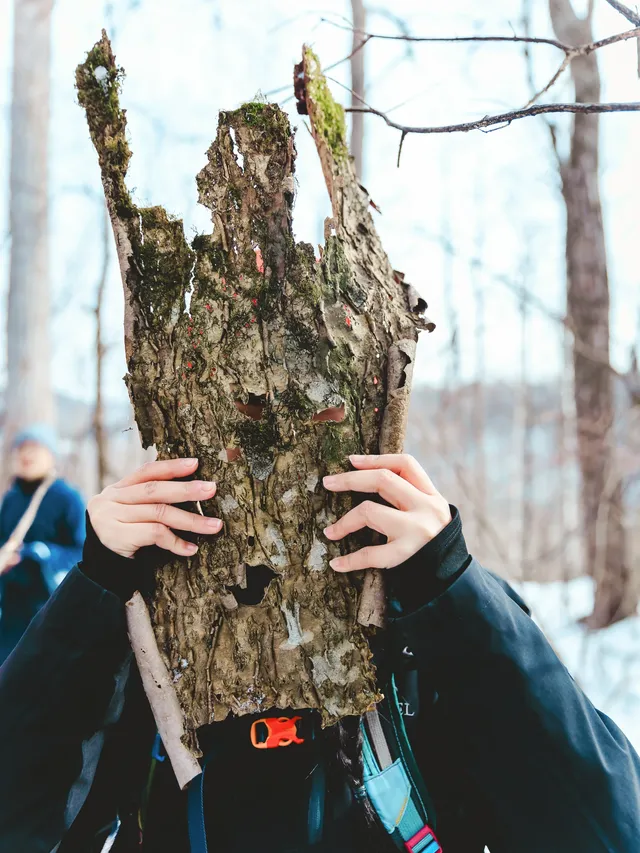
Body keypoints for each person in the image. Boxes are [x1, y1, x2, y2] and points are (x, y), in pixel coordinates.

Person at [0, 454, 638, 853]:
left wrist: (452, 588)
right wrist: (94, 593)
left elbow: (610, 833)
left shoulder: (431, 623)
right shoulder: (152, 631)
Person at [0, 424, 85, 663]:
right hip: (10, 609)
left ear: (51, 455)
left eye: (35, 448)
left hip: (50, 608)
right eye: (21, 449)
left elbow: (82, 552)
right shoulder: (12, 498)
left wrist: (36, 554)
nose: (27, 455)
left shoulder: (68, 498)